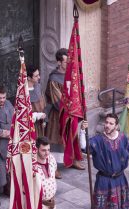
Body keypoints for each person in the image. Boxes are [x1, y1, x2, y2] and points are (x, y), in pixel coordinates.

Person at [80, 114, 129, 209]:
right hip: (104, 179)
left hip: (120, 177)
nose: (107, 125)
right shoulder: (98, 140)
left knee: (119, 203)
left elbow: (126, 151)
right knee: (101, 205)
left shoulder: (123, 138)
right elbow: (84, 147)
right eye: (106, 122)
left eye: (110, 123)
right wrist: (82, 130)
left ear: (116, 126)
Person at [45, 48, 84, 176]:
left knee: (72, 136)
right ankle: (53, 166)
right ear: (59, 62)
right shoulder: (54, 79)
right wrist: (69, 108)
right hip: (58, 114)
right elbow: (57, 99)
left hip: (72, 113)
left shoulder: (72, 75)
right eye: (66, 61)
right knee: (56, 139)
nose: (68, 64)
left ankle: (72, 160)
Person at [27, 65, 47, 138]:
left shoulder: (38, 86)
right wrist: (36, 115)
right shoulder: (23, 93)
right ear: (29, 78)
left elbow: (43, 104)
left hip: (41, 124)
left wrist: (44, 118)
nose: (39, 77)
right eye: (36, 76)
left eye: (39, 75)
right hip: (30, 127)